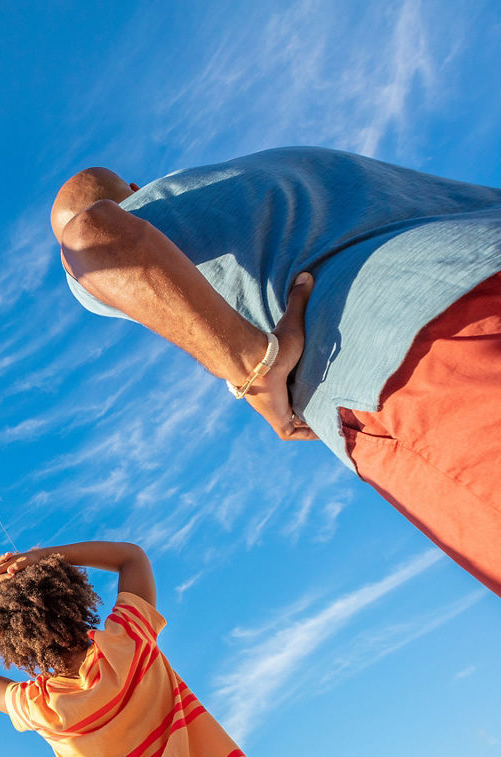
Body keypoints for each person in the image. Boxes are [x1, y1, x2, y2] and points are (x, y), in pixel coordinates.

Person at [50, 148, 501, 596]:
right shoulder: (288, 167)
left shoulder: (136, 216)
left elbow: (90, 236)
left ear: (130, 199)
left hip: (423, 349)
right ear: (132, 184)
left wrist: (253, 367)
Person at [0, 542, 285, 757]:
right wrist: (43, 557)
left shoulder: (41, 705)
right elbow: (130, 558)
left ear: (9, 640)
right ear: (72, 597)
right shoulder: (128, 641)